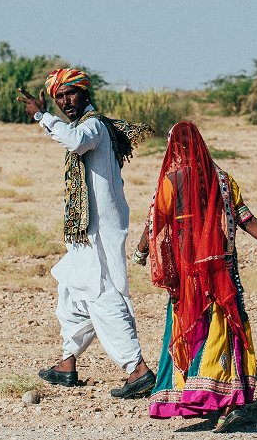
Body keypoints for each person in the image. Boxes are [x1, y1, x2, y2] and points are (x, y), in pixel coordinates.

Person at [132, 121, 257, 432]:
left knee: (190, 328)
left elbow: (154, 222)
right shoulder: (222, 179)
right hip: (221, 268)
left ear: (174, 148)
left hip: (188, 272)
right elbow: (245, 217)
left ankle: (199, 394)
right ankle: (230, 401)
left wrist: (140, 252)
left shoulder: (171, 180)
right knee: (226, 327)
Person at [16, 68, 156, 398]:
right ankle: (67, 364)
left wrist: (42, 116)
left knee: (102, 295)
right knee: (71, 291)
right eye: (59, 97)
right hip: (84, 231)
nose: (65, 102)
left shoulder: (91, 126)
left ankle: (137, 369)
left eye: (71, 94)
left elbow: (75, 142)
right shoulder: (87, 125)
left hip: (98, 231)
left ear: (85, 93)